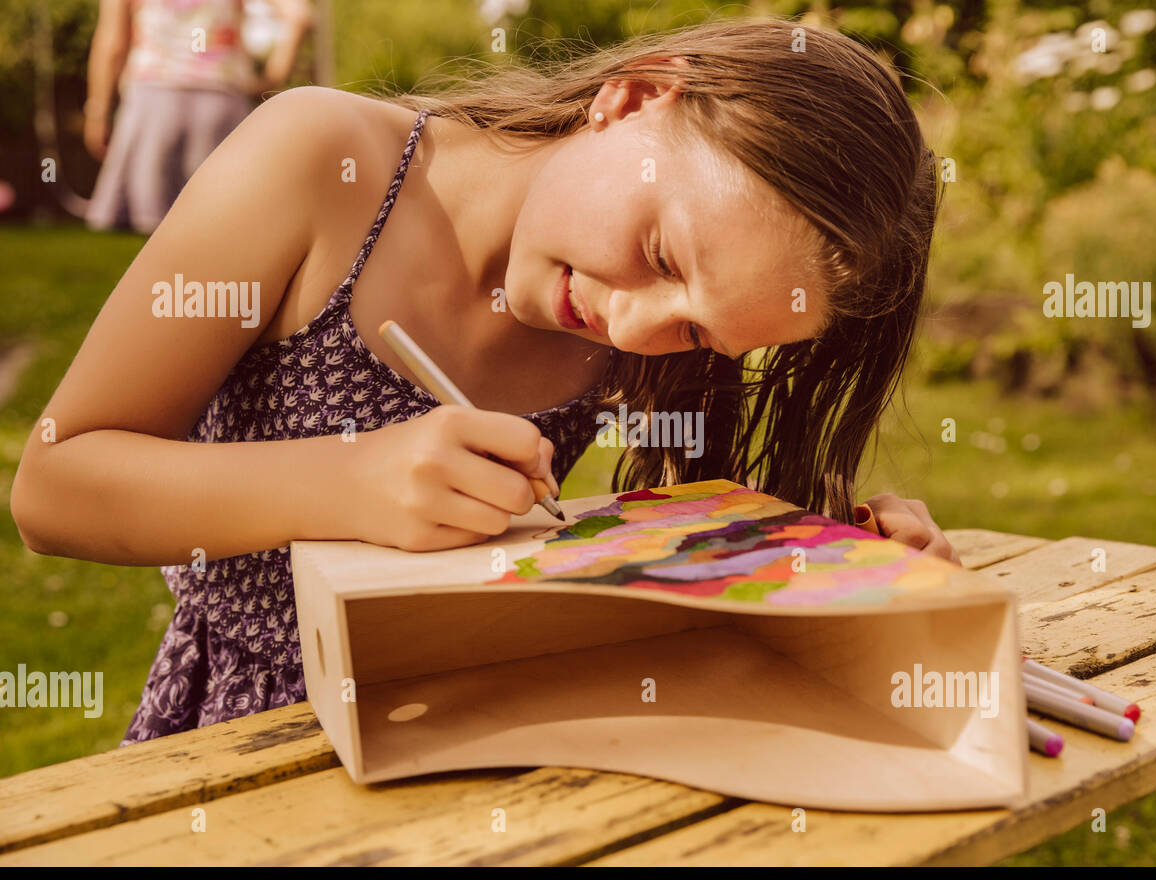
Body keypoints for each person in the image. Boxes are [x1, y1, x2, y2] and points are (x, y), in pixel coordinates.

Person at [13, 17, 959, 743]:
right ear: (631, 100)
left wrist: (837, 549)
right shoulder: (319, 165)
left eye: (700, 332)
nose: (634, 324)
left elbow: (686, 544)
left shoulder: (641, 330)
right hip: (251, 734)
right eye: (658, 252)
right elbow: (55, 488)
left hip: (480, 729)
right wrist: (349, 481)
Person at [83, 0, 312, 233]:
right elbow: (298, 15)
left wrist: (97, 111)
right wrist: (273, 76)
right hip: (219, 102)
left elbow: (112, 44)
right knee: (222, 222)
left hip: (153, 101)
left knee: (152, 225)